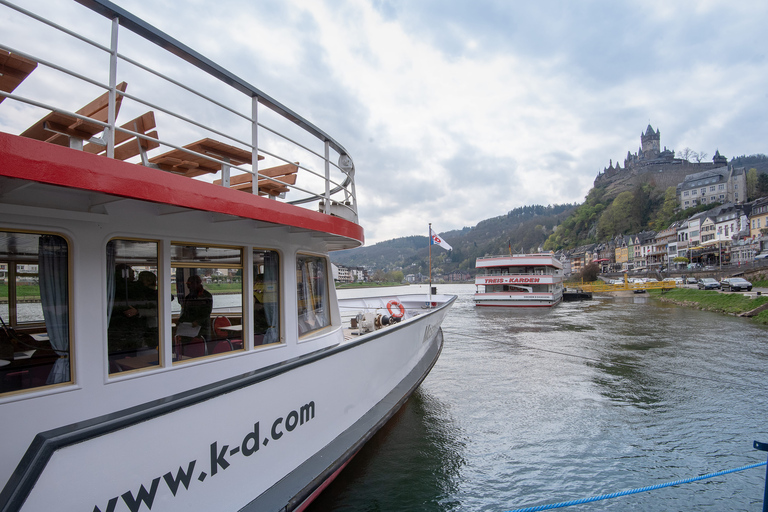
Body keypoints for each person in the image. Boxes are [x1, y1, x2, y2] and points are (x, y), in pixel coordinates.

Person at [178, 274, 213, 339]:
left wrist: (198, 322)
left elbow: (207, 312)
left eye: (190, 283)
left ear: (197, 283)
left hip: (203, 329)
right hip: (189, 329)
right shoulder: (188, 298)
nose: (188, 286)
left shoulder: (207, 296)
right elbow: (185, 312)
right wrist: (180, 322)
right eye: (187, 284)